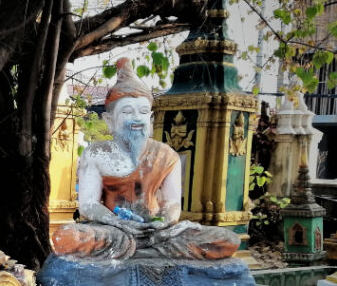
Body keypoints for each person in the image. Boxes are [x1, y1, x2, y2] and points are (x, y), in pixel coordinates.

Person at [52, 59, 239, 260]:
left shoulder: (166, 155)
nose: (136, 119)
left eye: (142, 112)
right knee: (66, 237)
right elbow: (88, 205)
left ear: (150, 119)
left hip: (157, 232)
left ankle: (140, 250)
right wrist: (117, 222)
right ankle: (145, 252)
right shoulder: (97, 154)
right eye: (127, 112)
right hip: (113, 231)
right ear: (109, 121)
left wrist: (163, 222)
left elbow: (173, 203)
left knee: (228, 240)